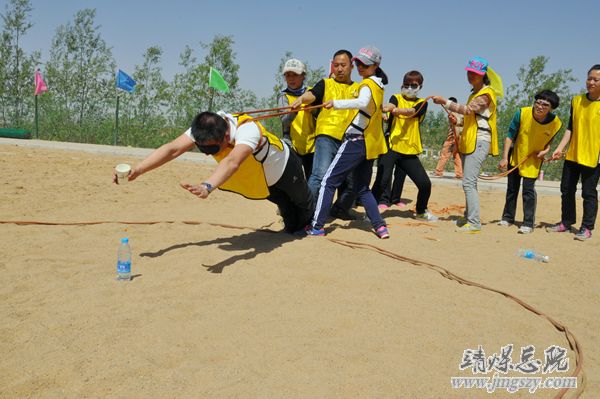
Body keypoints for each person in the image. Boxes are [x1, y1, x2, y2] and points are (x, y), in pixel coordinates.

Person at [112, 111, 314, 234]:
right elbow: (173, 149)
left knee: (302, 202)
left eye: (211, 149)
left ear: (226, 136)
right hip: (260, 178)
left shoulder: (248, 130)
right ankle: (294, 225)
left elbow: (232, 162)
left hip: (284, 166)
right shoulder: (205, 128)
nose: (208, 154)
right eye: (203, 149)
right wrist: (139, 169)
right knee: (286, 210)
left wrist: (207, 186)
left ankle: (313, 221)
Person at [303, 45, 389, 238]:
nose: (361, 68)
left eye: (364, 65)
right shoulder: (379, 85)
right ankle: (380, 226)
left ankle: (316, 226)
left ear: (375, 66)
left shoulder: (366, 85)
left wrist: (336, 103)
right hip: (369, 143)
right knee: (362, 188)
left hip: (355, 139)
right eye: (359, 64)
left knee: (327, 181)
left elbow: (362, 102)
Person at [432, 56, 503, 233]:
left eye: (475, 73)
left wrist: (445, 102)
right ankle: (470, 217)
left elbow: (468, 110)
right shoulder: (475, 93)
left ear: (483, 75)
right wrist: (456, 122)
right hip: (470, 140)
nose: (471, 76)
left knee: (468, 183)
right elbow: (469, 118)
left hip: (479, 141)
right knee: (469, 182)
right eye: (469, 72)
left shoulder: (487, 94)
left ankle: (474, 222)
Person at [291, 49, 360, 220]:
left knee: (352, 181)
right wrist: (301, 99)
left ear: (351, 66)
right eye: (336, 65)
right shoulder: (325, 83)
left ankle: (339, 210)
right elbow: (312, 94)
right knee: (319, 175)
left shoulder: (360, 89)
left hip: (349, 139)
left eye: (343, 65)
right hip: (326, 135)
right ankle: (306, 211)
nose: (339, 69)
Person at [373, 70, 437, 221]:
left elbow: (411, 112)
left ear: (420, 86)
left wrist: (395, 110)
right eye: (406, 84)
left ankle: (421, 211)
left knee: (425, 184)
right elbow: (390, 104)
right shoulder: (395, 97)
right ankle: (371, 213)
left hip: (409, 150)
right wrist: (387, 109)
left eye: (413, 85)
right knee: (381, 181)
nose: (409, 88)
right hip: (392, 147)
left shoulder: (422, 103)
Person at [497, 90, 562, 234]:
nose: (539, 106)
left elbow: (549, 141)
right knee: (512, 189)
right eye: (538, 102)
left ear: (551, 108)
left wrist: (545, 152)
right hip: (516, 156)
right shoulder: (522, 113)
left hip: (533, 161)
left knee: (528, 191)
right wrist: (504, 157)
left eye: (545, 104)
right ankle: (507, 218)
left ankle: (528, 223)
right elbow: (509, 136)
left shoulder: (556, 122)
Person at [548, 64, 600, 241]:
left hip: (593, 157)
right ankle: (566, 221)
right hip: (573, 154)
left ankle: (586, 227)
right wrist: (560, 148)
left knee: (588, 192)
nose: (591, 82)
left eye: (595, 79)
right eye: (589, 78)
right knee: (566, 189)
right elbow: (571, 128)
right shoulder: (576, 100)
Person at [277, 58, 316, 178]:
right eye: (288, 75)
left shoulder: (312, 93)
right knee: (295, 180)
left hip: (313, 146)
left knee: (314, 181)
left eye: (295, 75)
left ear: (303, 76)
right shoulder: (283, 96)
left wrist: (314, 110)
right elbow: (284, 121)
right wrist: (293, 112)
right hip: (292, 146)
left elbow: (321, 115)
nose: (291, 79)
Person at [432, 96, 464, 178]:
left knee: (444, 154)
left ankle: (438, 171)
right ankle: (459, 174)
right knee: (456, 155)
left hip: (453, 137)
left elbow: (456, 121)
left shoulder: (452, 113)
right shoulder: (462, 113)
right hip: (460, 138)